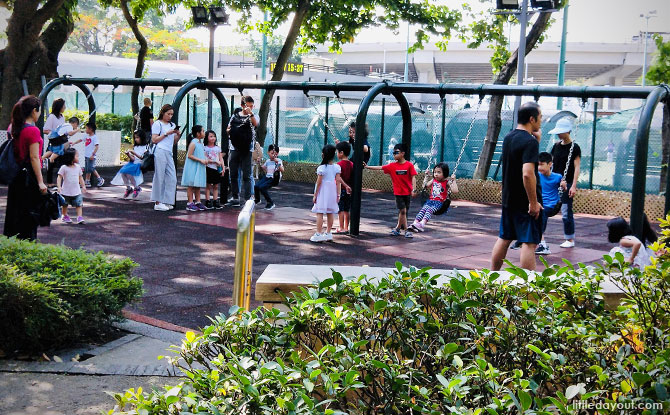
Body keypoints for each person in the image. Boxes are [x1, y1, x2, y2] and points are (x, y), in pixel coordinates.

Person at [491, 101, 543, 271]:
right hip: (524, 202)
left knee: (504, 237)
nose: (541, 121)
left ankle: (492, 278)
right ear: (532, 119)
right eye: (540, 117)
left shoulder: (509, 138)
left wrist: (536, 140)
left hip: (509, 198)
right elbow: (527, 173)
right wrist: (533, 202)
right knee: (529, 242)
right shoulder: (530, 142)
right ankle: (529, 287)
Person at [3, 95, 47, 240]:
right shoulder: (32, 131)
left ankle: (12, 243)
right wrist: (41, 181)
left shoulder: (14, 127)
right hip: (29, 177)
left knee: (14, 212)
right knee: (29, 214)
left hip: (16, 174)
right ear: (34, 110)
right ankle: (27, 243)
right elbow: (34, 157)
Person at [365, 143, 417, 239]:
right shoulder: (392, 166)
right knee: (403, 211)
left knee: (403, 212)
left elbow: (413, 177)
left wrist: (414, 189)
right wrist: (367, 167)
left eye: (396, 152)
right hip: (398, 193)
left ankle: (397, 229)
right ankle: (406, 231)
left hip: (407, 193)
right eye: (393, 153)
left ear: (402, 153)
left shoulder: (409, 165)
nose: (394, 154)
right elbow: (380, 167)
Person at [549, 117, 581, 249]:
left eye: (560, 132)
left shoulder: (575, 147)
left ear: (567, 131)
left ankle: (569, 238)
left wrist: (573, 185)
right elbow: (550, 164)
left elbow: (577, 167)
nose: (558, 134)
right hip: (554, 181)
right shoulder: (555, 146)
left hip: (566, 183)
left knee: (566, 211)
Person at [227, 95, 258, 207]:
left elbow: (256, 124)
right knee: (233, 174)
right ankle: (235, 197)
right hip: (234, 148)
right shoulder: (235, 116)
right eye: (247, 106)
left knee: (247, 175)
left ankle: (248, 198)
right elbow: (228, 128)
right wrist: (230, 131)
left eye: (251, 106)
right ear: (242, 106)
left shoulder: (253, 116)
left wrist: (251, 114)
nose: (249, 108)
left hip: (247, 149)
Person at [408, 162, 457, 233]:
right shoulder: (433, 180)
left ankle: (422, 224)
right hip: (430, 201)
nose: (436, 174)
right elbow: (425, 186)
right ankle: (415, 223)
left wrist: (454, 180)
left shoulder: (447, 182)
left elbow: (455, 191)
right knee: (423, 210)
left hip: (439, 203)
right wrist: (426, 176)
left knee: (429, 210)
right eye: (435, 172)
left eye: (439, 172)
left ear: (445, 173)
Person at [534, 152, 566, 255]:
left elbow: (564, 189)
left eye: (542, 164)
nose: (539, 167)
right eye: (538, 164)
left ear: (550, 164)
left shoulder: (557, 177)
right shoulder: (537, 175)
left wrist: (563, 186)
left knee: (540, 214)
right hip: (540, 204)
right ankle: (535, 241)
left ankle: (543, 245)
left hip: (551, 206)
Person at [151, 104, 181, 211]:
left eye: (171, 114)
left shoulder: (172, 125)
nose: (170, 116)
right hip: (160, 150)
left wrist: (178, 134)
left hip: (168, 152)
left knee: (172, 177)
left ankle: (167, 201)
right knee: (159, 176)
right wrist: (166, 134)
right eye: (168, 114)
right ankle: (157, 202)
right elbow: (154, 140)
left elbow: (173, 142)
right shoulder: (157, 124)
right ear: (163, 113)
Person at [310, 144, 341, 243]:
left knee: (319, 212)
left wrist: (315, 195)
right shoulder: (336, 167)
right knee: (330, 212)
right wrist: (338, 194)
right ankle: (328, 233)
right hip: (332, 191)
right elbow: (338, 181)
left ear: (323, 155)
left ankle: (318, 233)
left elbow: (318, 183)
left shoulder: (322, 168)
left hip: (323, 192)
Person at [111, 129, 147, 198]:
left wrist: (134, 153)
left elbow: (142, 157)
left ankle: (136, 187)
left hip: (140, 164)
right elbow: (133, 159)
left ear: (142, 138)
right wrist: (128, 154)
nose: (136, 139)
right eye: (135, 138)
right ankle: (128, 188)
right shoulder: (135, 147)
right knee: (123, 172)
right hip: (134, 163)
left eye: (137, 137)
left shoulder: (145, 147)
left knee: (128, 173)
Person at [57, 148, 88, 224]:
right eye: (77, 156)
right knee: (65, 204)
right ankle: (64, 215)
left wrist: (83, 186)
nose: (78, 157)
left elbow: (80, 177)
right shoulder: (64, 167)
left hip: (76, 191)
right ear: (71, 158)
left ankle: (79, 217)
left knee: (79, 204)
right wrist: (59, 186)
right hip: (66, 190)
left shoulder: (78, 167)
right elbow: (59, 177)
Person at [181, 125, 208, 211]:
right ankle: (190, 203)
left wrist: (205, 159)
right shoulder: (193, 143)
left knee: (197, 185)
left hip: (198, 166)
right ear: (198, 133)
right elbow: (189, 155)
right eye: (203, 131)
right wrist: (200, 160)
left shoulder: (200, 143)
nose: (204, 133)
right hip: (192, 166)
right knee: (191, 185)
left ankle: (198, 202)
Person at [43, 98, 67, 187]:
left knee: (63, 162)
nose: (65, 107)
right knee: (51, 163)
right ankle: (49, 182)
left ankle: (62, 183)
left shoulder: (62, 117)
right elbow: (45, 130)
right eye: (63, 105)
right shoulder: (52, 117)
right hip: (54, 142)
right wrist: (55, 133)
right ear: (59, 106)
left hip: (61, 141)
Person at [254, 144, 283, 211]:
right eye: (272, 153)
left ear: (277, 154)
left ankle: (270, 203)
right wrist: (258, 162)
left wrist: (277, 163)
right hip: (267, 177)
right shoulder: (267, 161)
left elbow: (282, 170)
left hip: (274, 178)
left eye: (275, 154)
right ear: (268, 153)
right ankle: (257, 200)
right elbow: (262, 168)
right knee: (256, 186)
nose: (273, 155)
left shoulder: (278, 160)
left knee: (262, 188)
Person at [203, 130, 225, 210]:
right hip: (208, 168)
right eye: (211, 136)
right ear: (206, 138)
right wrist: (214, 161)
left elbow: (220, 158)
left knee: (216, 185)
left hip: (216, 169)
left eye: (214, 136)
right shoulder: (204, 148)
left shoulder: (217, 148)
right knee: (208, 185)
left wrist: (223, 167)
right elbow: (205, 158)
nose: (213, 138)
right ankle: (208, 201)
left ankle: (215, 201)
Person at [335, 141, 353, 234]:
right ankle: (346, 227)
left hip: (341, 189)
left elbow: (338, 178)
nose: (336, 154)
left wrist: (344, 185)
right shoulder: (351, 164)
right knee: (347, 209)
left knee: (340, 209)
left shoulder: (339, 165)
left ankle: (341, 227)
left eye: (337, 152)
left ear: (341, 153)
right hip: (349, 190)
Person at [83, 122, 104, 187]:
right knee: (87, 169)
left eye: (86, 128)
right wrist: (74, 143)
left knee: (91, 168)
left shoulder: (94, 137)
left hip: (91, 156)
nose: (85, 130)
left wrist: (93, 154)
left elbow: (97, 146)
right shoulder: (87, 136)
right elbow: (81, 140)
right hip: (86, 155)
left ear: (90, 129)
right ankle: (87, 181)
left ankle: (100, 179)